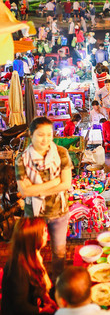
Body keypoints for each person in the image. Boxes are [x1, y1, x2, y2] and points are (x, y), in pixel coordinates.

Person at [15, 117, 73, 279]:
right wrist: (55, 182)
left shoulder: (61, 153)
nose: (45, 139)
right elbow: (24, 191)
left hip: (59, 212)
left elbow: (66, 184)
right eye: (41, 135)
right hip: (34, 214)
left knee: (59, 252)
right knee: (32, 252)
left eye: (49, 134)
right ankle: (36, 281)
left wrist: (36, 189)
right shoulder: (22, 159)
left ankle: (56, 281)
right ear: (31, 135)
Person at [1, 217, 56, 315]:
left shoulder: (32, 254)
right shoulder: (17, 268)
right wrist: (42, 310)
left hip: (33, 303)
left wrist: (47, 300)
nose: (47, 234)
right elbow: (20, 306)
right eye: (44, 231)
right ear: (33, 239)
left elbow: (39, 283)